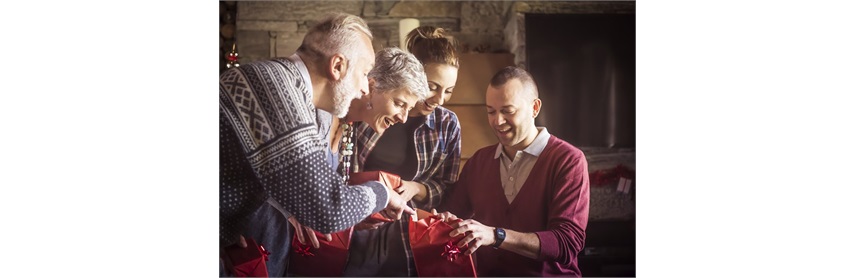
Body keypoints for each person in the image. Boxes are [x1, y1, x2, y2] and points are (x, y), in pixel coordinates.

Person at [218, 12, 414, 276]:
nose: (366, 90)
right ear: (337, 67)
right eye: (364, 74)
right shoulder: (280, 90)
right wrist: (382, 193)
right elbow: (330, 210)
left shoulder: (289, 87)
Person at [439, 66, 591, 277]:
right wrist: (446, 221)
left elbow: (566, 243)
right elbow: (453, 214)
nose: (497, 121)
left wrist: (496, 236)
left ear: (535, 108)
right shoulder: (479, 161)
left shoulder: (568, 160)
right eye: (491, 111)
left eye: (508, 111)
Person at [341, 26, 463, 277]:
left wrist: (415, 188)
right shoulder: (370, 109)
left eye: (448, 90)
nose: (440, 99)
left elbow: (449, 188)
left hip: (412, 235)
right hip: (359, 226)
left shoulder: (447, 124)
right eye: (432, 86)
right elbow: (343, 169)